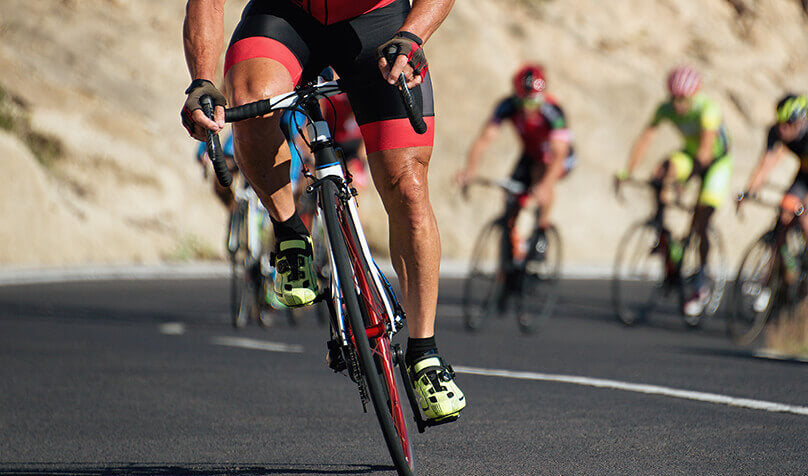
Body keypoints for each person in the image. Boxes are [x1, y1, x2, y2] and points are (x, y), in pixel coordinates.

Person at [181, 0, 464, 423]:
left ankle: (424, 353)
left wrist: (413, 34)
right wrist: (201, 80)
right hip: (284, 16)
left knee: (408, 186)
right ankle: (290, 231)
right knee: (252, 99)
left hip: (377, 23)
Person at [617, 65, 732, 315]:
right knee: (660, 173)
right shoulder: (666, 109)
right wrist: (628, 171)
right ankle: (662, 234)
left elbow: (704, 153)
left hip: (716, 162)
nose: (679, 105)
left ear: (693, 95)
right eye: (675, 99)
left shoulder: (707, 109)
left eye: (684, 100)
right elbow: (646, 138)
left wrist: (683, 182)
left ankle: (702, 277)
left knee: (701, 221)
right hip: (691, 155)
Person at [455, 64, 575, 244]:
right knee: (511, 196)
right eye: (523, 102)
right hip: (530, 152)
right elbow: (484, 139)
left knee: (540, 178)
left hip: (557, 157)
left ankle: (541, 229)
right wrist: (470, 170)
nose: (528, 108)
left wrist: (545, 186)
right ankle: (509, 258)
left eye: (534, 102)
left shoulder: (553, 112)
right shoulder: (507, 105)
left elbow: (559, 154)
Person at [739, 94, 808, 241]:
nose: (782, 129)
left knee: (807, 221)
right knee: (784, 217)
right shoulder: (776, 132)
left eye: (788, 124)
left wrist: (807, 203)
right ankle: (782, 261)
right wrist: (748, 191)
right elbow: (765, 166)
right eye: (780, 123)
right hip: (805, 175)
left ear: (800, 122)